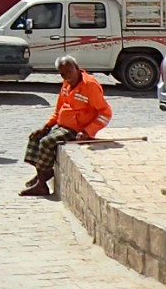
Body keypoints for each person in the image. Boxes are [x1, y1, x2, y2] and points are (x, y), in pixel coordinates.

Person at [21, 57, 111, 198]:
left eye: (69, 72)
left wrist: (88, 131)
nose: (67, 76)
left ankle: (42, 184)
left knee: (46, 142)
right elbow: (58, 110)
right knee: (35, 138)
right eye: (63, 74)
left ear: (77, 68)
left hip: (77, 129)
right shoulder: (66, 84)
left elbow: (105, 113)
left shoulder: (90, 85)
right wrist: (46, 126)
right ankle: (43, 174)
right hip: (62, 125)